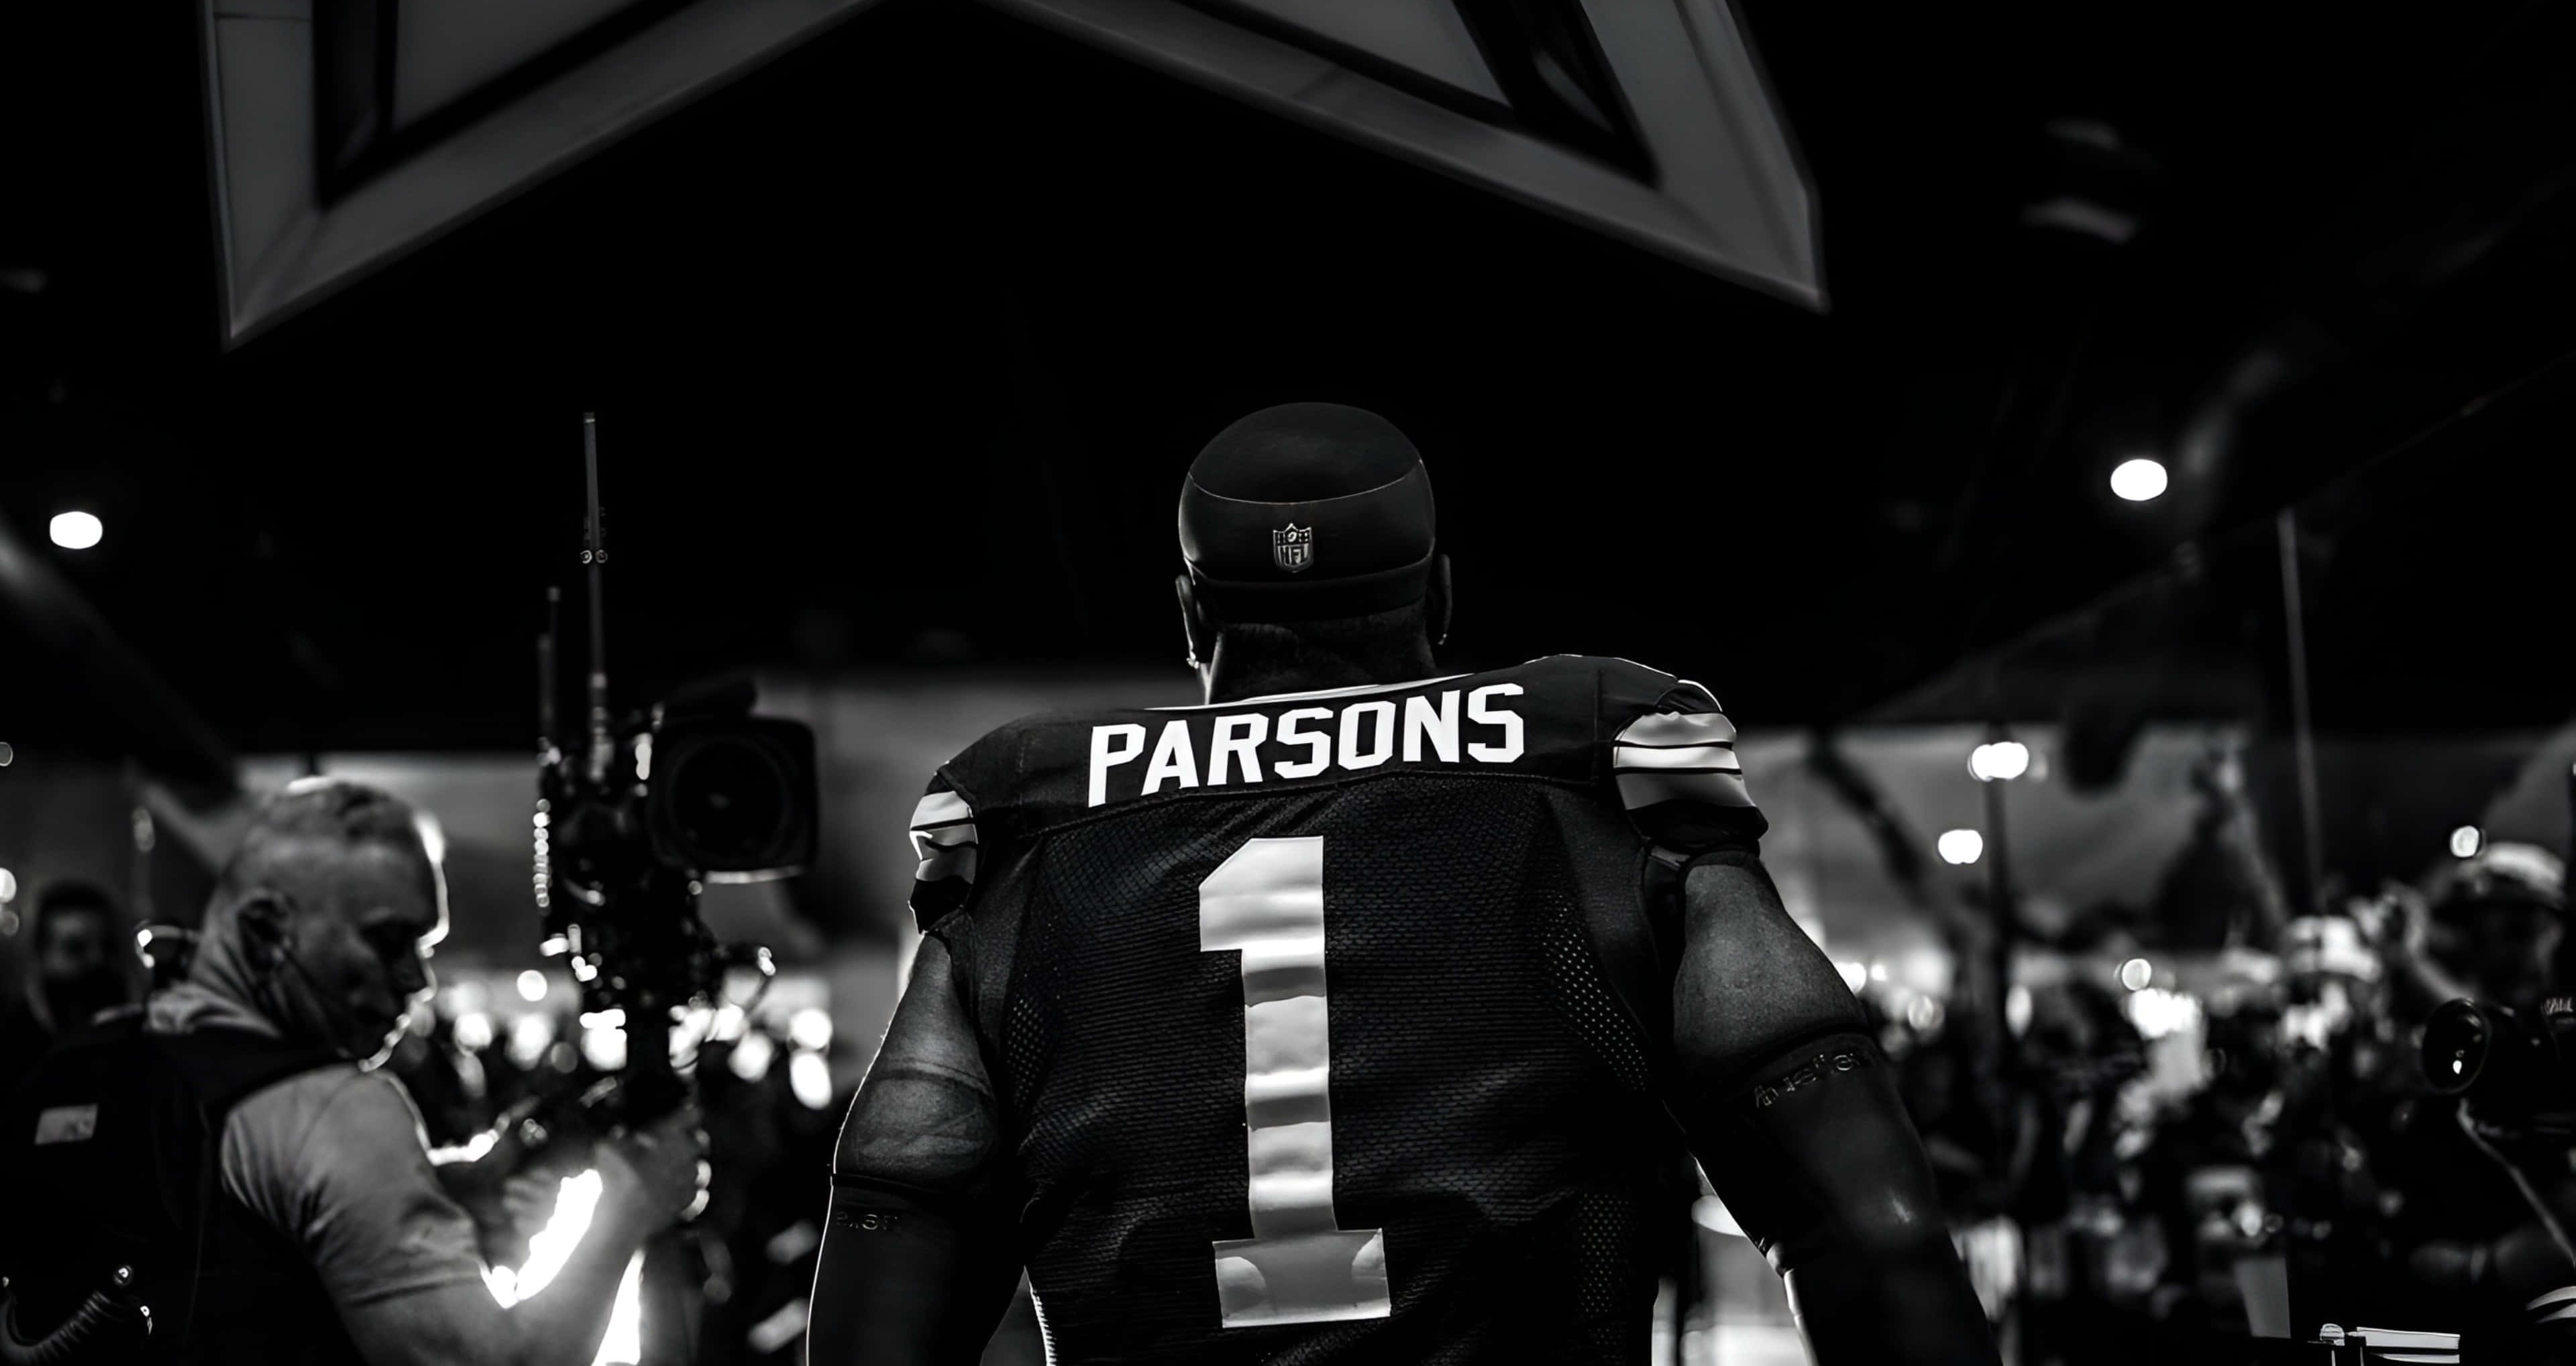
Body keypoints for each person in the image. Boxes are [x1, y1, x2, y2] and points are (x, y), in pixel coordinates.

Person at [809, 404, 1999, 1363]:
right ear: (1438, 597)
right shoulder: (1600, 754)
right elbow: (1866, 1227)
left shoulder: (1025, 815)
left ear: (1191, 614)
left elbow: (901, 1188)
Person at [0, 778, 705, 1365]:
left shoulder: (84, 1063)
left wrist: (459, 1178)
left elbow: (219, 1227)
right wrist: (631, 1204)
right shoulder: (331, 1111)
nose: (418, 980)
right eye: (389, 940)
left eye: (424, 946)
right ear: (266, 931)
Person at [0, 878, 133, 1096]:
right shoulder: (10, 1041)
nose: (97, 961)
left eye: (107, 947)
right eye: (76, 948)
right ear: (40, 953)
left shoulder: (131, 1037)